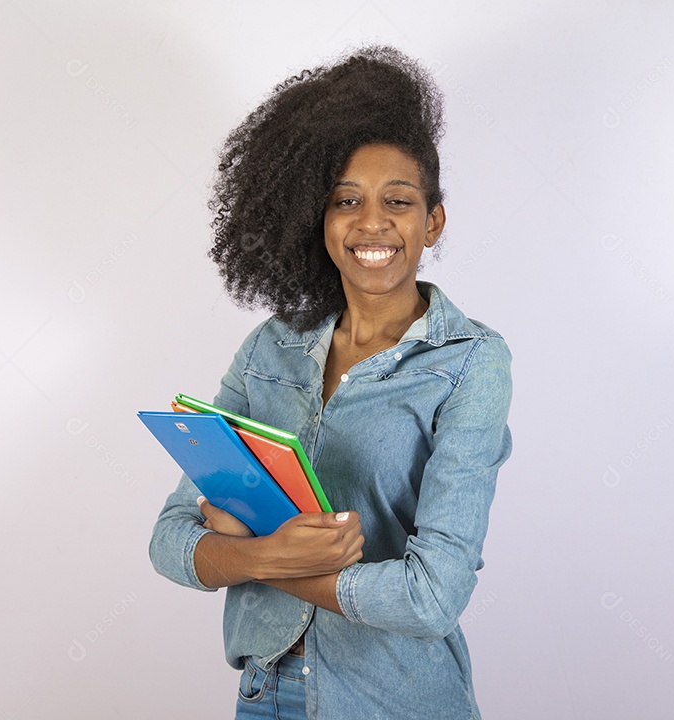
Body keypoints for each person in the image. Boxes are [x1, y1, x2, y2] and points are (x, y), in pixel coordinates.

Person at [149, 46, 513, 720]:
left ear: (432, 220)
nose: (371, 222)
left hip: (393, 702)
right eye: (347, 200)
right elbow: (171, 541)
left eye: (397, 201)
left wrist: (255, 555)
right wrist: (265, 553)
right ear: (318, 218)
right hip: (266, 695)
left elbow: (432, 595)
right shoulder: (270, 349)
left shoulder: (469, 363)